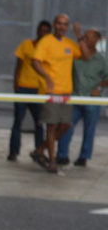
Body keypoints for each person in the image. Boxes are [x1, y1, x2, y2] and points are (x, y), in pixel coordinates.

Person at [30, 13, 89, 173]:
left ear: (67, 27)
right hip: (51, 91)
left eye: (65, 24)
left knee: (65, 125)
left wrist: (79, 35)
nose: (62, 26)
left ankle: (40, 149)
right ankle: (52, 161)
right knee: (51, 126)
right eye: (59, 23)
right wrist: (47, 78)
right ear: (54, 24)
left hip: (66, 91)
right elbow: (35, 61)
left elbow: (85, 56)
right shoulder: (46, 41)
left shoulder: (69, 43)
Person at [56, 28, 108, 167]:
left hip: (92, 100)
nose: (84, 39)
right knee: (66, 126)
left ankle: (84, 156)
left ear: (96, 40)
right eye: (83, 37)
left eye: (88, 37)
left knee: (89, 129)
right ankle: (62, 155)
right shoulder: (76, 55)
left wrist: (99, 88)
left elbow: (107, 77)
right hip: (74, 97)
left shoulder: (101, 60)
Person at [8, 20, 51, 161]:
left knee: (39, 123)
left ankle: (38, 151)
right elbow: (18, 65)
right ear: (37, 31)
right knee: (18, 121)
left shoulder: (49, 49)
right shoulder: (26, 44)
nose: (43, 33)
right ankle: (14, 151)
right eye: (41, 30)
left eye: (46, 31)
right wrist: (16, 83)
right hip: (23, 86)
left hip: (39, 90)